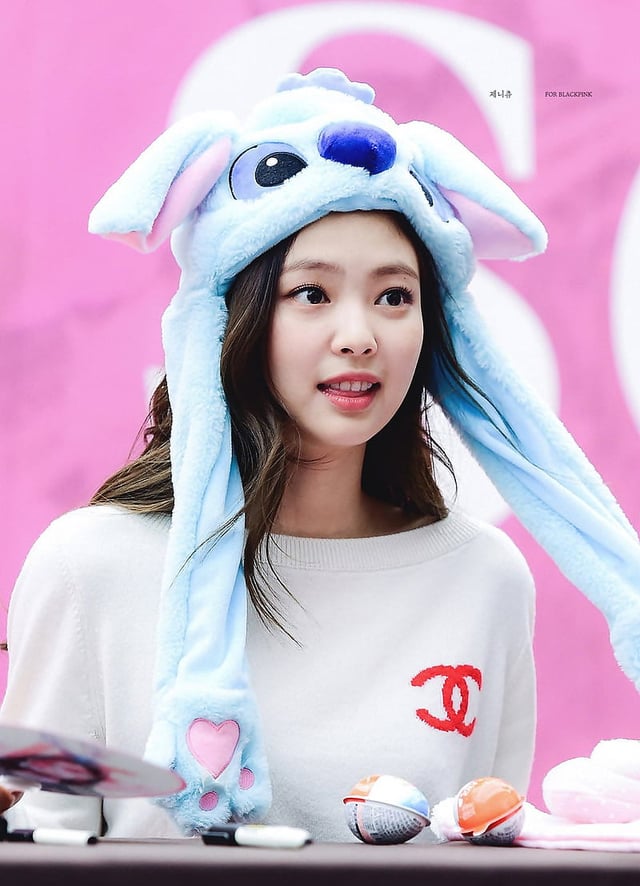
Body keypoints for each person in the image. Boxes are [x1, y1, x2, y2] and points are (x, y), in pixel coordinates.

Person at [1, 68, 638, 842]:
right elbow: (38, 866)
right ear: (233, 315)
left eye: (394, 296)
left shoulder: (483, 578)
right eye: (312, 293)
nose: (359, 335)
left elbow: (483, 867)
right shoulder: (90, 566)